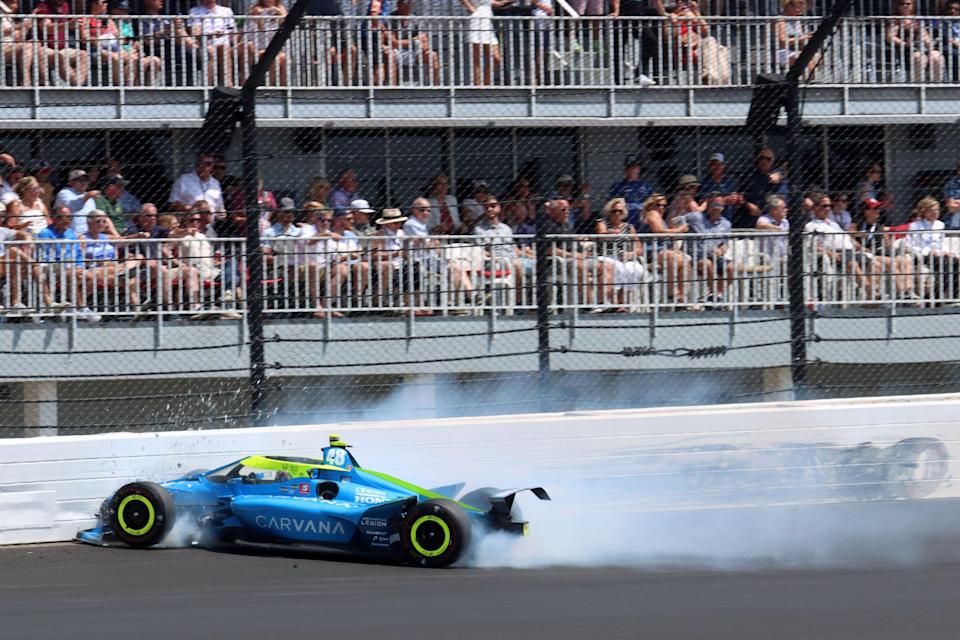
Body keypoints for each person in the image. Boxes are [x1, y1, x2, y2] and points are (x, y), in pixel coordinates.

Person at [34, 207, 101, 320]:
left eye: (69, 218)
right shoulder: (45, 233)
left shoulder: (70, 233)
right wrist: (68, 266)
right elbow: (44, 256)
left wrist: (79, 266)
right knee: (71, 274)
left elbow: (78, 253)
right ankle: (82, 307)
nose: (67, 221)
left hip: (71, 266)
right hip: (52, 266)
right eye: (63, 218)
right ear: (54, 219)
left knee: (93, 276)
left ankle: (72, 304)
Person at [671, 193, 733, 303]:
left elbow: (725, 243)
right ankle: (714, 296)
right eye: (713, 205)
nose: (716, 208)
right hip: (694, 255)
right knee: (707, 264)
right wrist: (680, 228)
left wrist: (721, 250)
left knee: (732, 267)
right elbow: (675, 222)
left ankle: (716, 294)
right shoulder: (695, 217)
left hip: (715, 256)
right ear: (708, 205)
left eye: (720, 206)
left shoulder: (726, 224)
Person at [851, 198, 917, 300]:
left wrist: (889, 242)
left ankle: (908, 289)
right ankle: (902, 292)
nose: (878, 211)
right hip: (869, 254)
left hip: (882, 252)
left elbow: (888, 246)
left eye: (878, 208)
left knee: (904, 260)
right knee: (890, 262)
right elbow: (849, 237)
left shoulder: (880, 227)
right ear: (866, 211)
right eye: (875, 209)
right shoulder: (857, 225)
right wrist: (860, 244)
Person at [80, 209, 143, 315]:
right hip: (98, 269)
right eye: (98, 221)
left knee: (138, 257)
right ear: (89, 223)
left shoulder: (106, 237)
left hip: (115, 269)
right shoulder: (83, 238)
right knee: (130, 280)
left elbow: (124, 240)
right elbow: (79, 258)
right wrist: (99, 261)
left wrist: (138, 236)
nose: (102, 224)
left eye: (104, 221)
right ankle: (137, 309)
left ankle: (136, 310)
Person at [805, 193, 868, 298]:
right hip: (836, 255)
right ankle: (869, 290)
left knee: (878, 261)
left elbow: (847, 237)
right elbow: (812, 246)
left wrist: (860, 247)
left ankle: (901, 293)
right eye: (824, 206)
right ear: (815, 207)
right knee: (852, 264)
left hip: (850, 252)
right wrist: (829, 253)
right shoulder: (811, 226)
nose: (828, 209)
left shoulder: (833, 224)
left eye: (829, 206)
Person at [638, 193, 695, 307]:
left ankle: (681, 298)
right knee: (670, 256)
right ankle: (672, 292)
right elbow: (659, 231)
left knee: (685, 262)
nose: (662, 208)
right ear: (651, 205)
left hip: (663, 251)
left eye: (664, 206)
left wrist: (674, 227)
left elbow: (667, 234)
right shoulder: (652, 214)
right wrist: (679, 230)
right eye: (659, 205)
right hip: (652, 251)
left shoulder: (660, 217)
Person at [595, 197, 650, 311]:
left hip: (626, 257)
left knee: (634, 269)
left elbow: (639, 248)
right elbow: (601, 235)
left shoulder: (629, 227)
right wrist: (610, 233)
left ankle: (622, 301)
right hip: (608, 255)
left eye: (620, 211)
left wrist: (630, 254)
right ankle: (616, 303)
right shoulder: (603, 223)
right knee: (618, 268)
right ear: (609, 212)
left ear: (624, 213)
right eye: (614, 211)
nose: (617, 214)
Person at [907, 196, 960, 301]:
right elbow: (910, 245)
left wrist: (945, 251)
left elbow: (941, 242)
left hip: (938, 254)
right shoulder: (915, 226)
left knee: (954, 261)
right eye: (932, 210)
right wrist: (928, 251)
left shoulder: (940, 225)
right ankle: (936, 296)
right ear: (924, 212)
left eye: (937, 210)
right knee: (946, 264)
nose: (935, 213)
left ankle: (952, 296)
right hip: (924, 255)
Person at [381, 0, 441, 85]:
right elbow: (394, 43)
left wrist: (422, 44)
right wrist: (414, 40)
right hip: (396, 51)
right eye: (407, 2)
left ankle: (436, 89)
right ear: (399, 4)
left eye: (412, 3)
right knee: (390, 55)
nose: (410, 5)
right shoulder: (390, 20)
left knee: (432, 55)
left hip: (413, 51)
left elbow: (425, 43)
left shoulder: (415, 20)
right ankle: (392, 91)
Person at [33, 0, 91, 85]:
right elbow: (46, 28)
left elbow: (73, 23)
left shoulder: (65, 5)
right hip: (44, 48)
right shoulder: (43, 6)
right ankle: (74, 83)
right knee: (58, 56)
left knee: (83, 55)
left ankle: (78, 84)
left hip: (62, 48)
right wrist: (68, 25)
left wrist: (81, 24)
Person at [887, 0, 944, 82]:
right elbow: (890, 37)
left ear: (913, 5)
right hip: (905, 49)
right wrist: (905, 43)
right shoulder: (896, 20)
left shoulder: (917, 19)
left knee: (937, 56)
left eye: (908, 4)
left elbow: (926, 37)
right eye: (902, 4)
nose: (905, 6)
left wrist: (927, 42)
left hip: (921, 47)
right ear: (897, 6)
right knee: (919, 58)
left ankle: (936, 85)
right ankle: (917, 86)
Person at [461, 0, 514, 86]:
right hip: (476, 20)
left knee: (496, 58)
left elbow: (497, 4)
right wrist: (469, 6)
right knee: (477, 57)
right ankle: (478, 86)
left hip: (488, 23)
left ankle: (486, 83)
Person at [189, 0, 239, 86]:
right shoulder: (195, 11)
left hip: (224, 44)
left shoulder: (226, 11)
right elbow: (196, 33)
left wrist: (232, 40)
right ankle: (207, 86)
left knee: (224, 48)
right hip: (203, 44)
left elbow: (233, 32)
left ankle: (228, 85)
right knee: (211, 51)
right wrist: (212, 35)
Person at [740, 147, 788, 227]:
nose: (764, 161)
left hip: (774, 217)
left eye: (768, 159)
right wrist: (748, 205)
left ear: (773, 161)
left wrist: (780, 175)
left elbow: (784, 172)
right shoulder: (750, 175)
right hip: (753, 217)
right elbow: (741, 195)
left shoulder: (778, 172)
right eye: (761, 158)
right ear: (757, 160)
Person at [245, 0, 288, 85]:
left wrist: (281, 15)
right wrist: (259, 17)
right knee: (272, 57)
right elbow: (263, 30)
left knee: (283, 58)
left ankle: (284, 89)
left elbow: (287, 26)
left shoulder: (280, 9)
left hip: (272, 47)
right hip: (257, 47)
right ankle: (269, 87)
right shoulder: (256, 9)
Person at [777, 0, 821, 78]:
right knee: (806, 57)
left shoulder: (797, 21)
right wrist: (801, 38)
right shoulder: (781, 20)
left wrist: (807, 36)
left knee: (817, 56)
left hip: (796, 50)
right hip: (783, 52)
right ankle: (810, 82)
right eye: (797, 7)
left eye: (802, 7)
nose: (799, 10)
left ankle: (810, 79)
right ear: (789, 6)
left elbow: (800, 37)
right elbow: (782, 41)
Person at [1, 0, 41, 85]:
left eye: (17, 3)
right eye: (14, 2)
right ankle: (26, 80)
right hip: (2, 48)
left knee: (35, 43)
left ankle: (42, 80)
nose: (17, 6)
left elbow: (19, 39)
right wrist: (19, 26)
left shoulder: (11, 18)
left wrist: (26, 27)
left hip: (11, 47)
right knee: (27, 46)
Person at [608, 157, 654, 228]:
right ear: (626, 170)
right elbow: (612, 206)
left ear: (639, 169)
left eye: (635, 167)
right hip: (626, 221)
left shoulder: (646, 186)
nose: (632, 169)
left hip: (643, 221)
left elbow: (651, 204)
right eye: (630, 167)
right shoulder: (618, 186)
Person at [54, 169, 100, 237]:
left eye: (86, 180)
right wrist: (87, 196)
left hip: (89, 235)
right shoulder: (64, 193)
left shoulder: (90, 197)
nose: (84, 182)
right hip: (71, 234)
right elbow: (74, 206)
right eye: (80, 180)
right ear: (71, 182)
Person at [698, 152, 741, 221]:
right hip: (709, 220)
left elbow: (736, 203)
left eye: (718, 164)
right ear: (709, 167)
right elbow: (703, 202)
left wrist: (737, 200)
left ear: (723, 166)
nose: (715, 167)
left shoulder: (730, 181)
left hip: (727, 218)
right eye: (713, 164)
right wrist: (723, 201)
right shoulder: (705, 182)